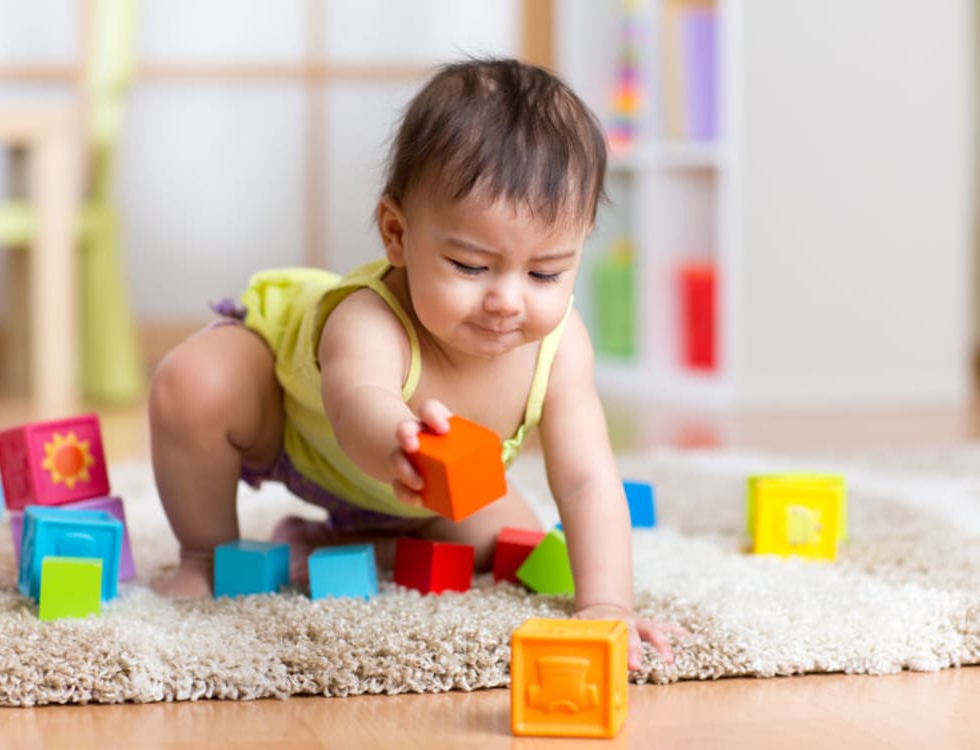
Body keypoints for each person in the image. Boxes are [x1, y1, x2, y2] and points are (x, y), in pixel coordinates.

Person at [149, 57, 683, 669]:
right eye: (471, 267)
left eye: (545, 273)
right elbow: (358, 401)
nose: (507, 300)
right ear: (397, 234)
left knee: (510, 542)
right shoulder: (369, 318)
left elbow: (587, 477)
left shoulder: (560, 347)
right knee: (193, 383)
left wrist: (608, 605)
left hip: (411, 496)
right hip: (295, 427)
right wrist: (397, 443)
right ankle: (205, 556)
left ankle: (330, 543)